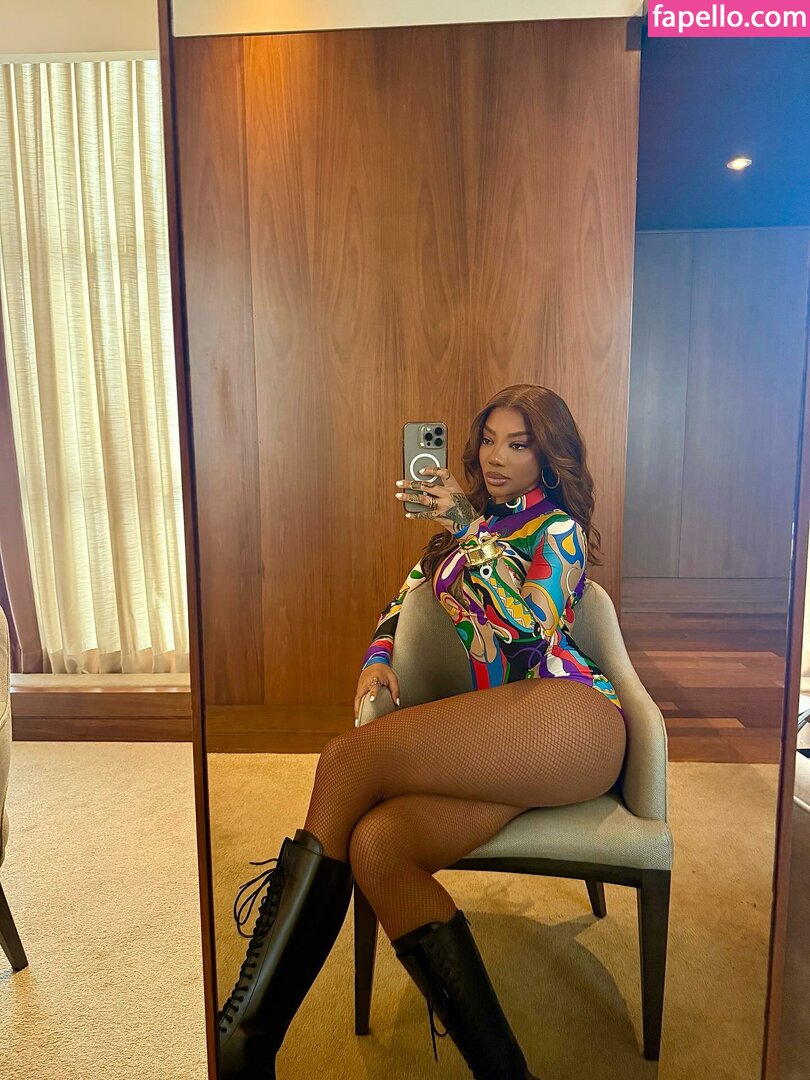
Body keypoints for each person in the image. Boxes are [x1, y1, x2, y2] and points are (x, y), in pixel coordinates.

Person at [217, 384, 626, 1080]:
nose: (496, 456)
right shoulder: (466, 529)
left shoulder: (555, 529)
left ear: (548, 456)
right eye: (489, 439)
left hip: (570, 718)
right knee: (379, 846)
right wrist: (377, 660)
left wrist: (470, 527)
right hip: (502, 740)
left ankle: (242, 1043)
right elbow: (402, 600)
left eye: (518, 444)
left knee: (347, 760)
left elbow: (528, 630)